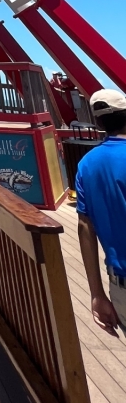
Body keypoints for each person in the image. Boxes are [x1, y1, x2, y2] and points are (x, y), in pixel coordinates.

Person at [76, 88, 126, 335]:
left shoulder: (86, 165)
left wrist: (96, 293)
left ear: (98, 121)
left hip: (120, 287)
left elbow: (85, 226)